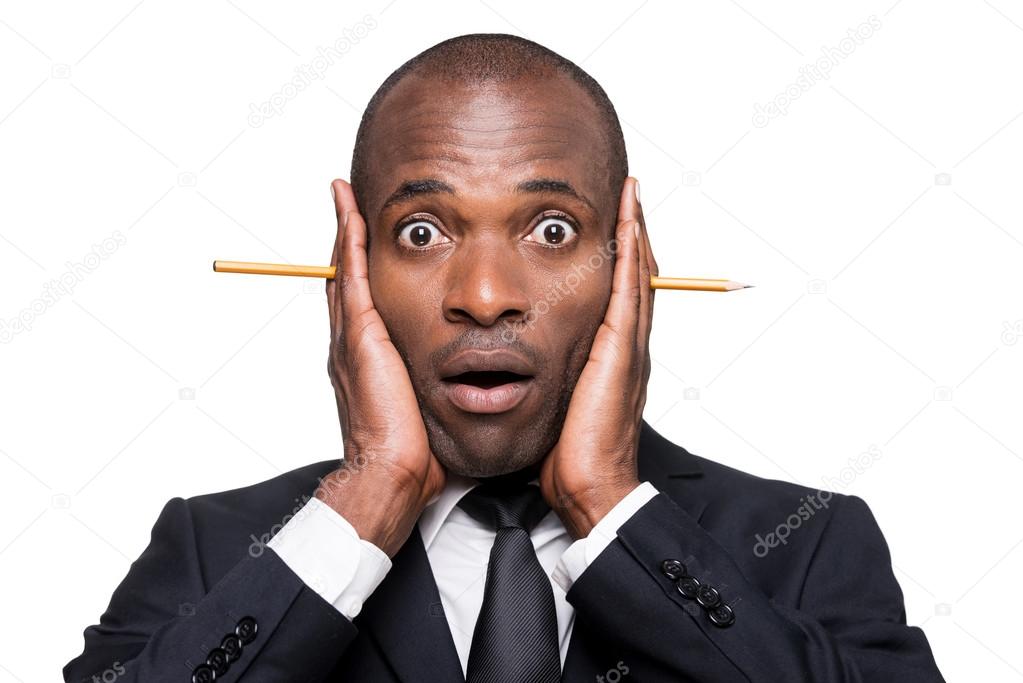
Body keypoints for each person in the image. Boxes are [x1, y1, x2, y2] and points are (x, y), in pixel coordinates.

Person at [64, 33, 945, 682]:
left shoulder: (807, 545)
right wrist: (368, 495)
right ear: (350, 270)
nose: (484, 295)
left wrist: (609, 507)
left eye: (552, 229)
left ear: (630, 267)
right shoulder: (219, 550)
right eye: (421, 231)